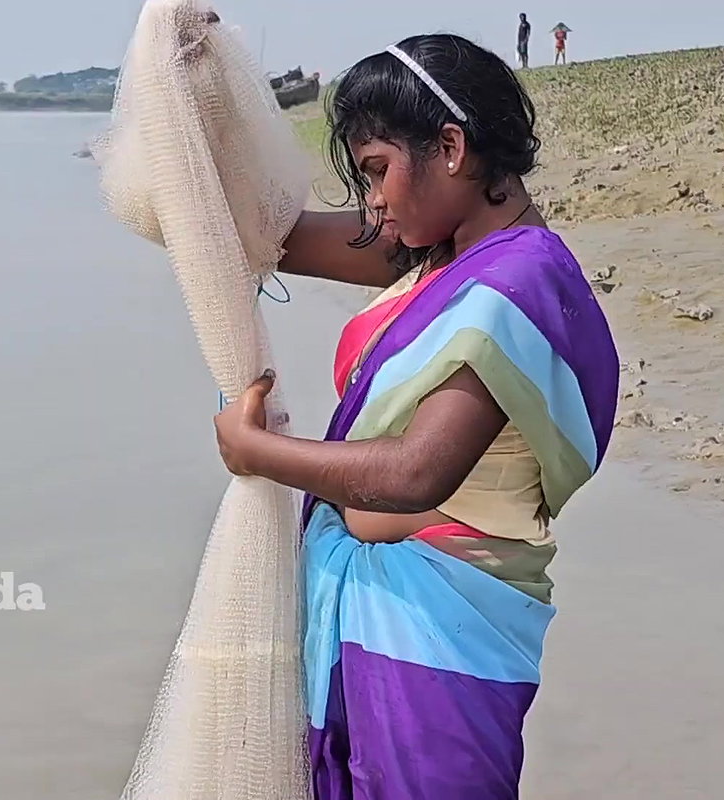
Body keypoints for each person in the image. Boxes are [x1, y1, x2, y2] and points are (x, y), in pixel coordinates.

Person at [212, 33, 620, 799]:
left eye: (377, 171)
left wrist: (257, 452)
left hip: (443, 638)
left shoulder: (515, 285)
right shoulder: (426, 254)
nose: (372, 202)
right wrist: (200, 92)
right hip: (374, 619)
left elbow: (415, 470)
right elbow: (256, 234)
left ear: (452, 147)